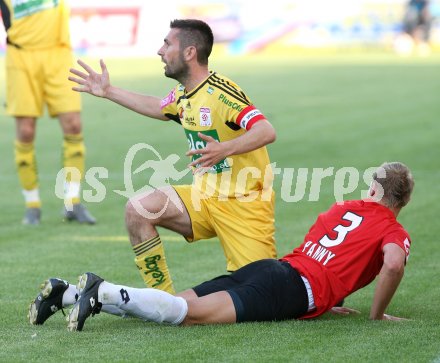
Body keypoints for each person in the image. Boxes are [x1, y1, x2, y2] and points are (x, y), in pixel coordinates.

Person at [28, 161, 415, 331]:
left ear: (372, 188)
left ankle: (67, 295)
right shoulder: (393, 229)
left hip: (273, 270)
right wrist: (376, 316)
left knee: (175, 306)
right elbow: (393, 265)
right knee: (187, 315)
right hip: (291, 289)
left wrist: (330, 294)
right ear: (402, 202)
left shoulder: (344, 207)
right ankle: (102, 288)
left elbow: (324, 251)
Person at [68, 19, 277, 294]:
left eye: (167, 44)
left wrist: (224, 149)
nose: (160, 51)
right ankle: (162, 300)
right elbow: (158, 106)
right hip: (203, 200)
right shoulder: (183, 94)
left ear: (189, 52)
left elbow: (266, 129)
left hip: (243, 206)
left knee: (267, 289)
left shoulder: (222, 94)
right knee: (138, 209)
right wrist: (109, 92)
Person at [0, 0, 96, 225]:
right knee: (25, 131)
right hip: (21, 57)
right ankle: (32, 205)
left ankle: (72, 201)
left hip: (57, 54)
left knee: (73, 125)